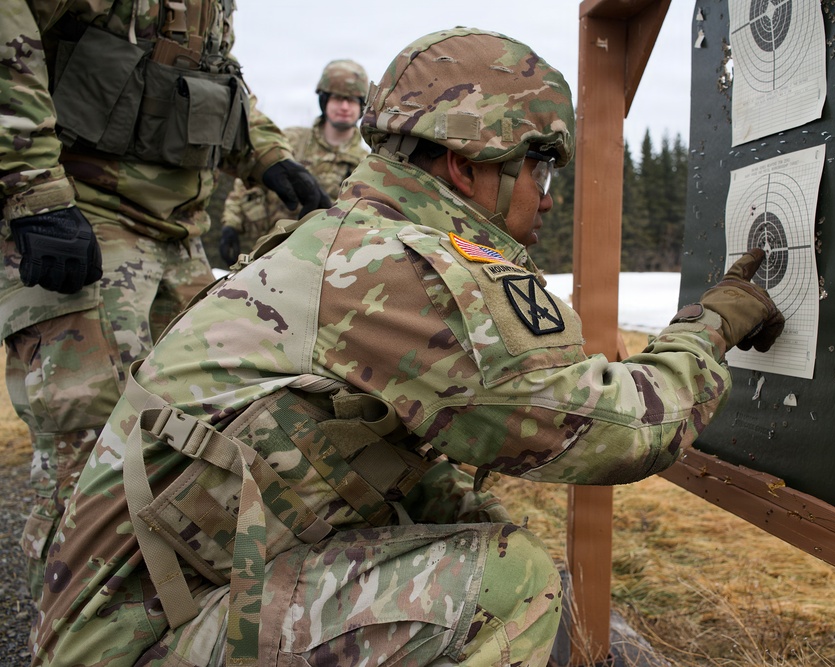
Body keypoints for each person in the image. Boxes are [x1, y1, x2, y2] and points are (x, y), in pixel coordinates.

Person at [31, 27, 784, 666]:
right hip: (142, 639)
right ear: (468, 165)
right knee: (507, 581)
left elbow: (388, 467)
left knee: (480, 532)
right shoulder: (401, 272)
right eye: (539, 164)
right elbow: (615, 432)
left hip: (169, 600)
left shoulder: (352, 241)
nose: (548, 195)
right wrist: (710, 327)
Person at [0, 0, 331, 603]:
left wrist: (271, 157)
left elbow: (208, 81)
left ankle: (148, 631)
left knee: (194, 449)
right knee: (94, 466)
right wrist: (35, 190)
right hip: (83, 220)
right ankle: (72, 635)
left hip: (178, 233)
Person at [218, 59, 370, 266]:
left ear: (362, 106)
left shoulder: (365, 164)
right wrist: (231, 227)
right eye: (337, 98)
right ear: (324, 100)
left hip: (316, 263)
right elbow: (245, 186)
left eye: (352, 100)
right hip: (264, 252)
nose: (344, 107)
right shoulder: (290, 140)